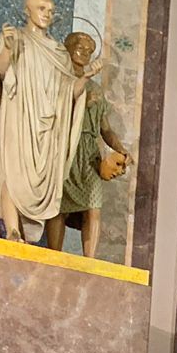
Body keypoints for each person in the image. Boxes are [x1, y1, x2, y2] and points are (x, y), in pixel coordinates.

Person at [0, 0, 93, 241]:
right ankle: (13, 229)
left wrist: (87, 76)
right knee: (11, 170)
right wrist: (6, 49)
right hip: (18, 116)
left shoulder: (59, 52)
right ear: (27, 11)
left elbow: (69, 93)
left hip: (47, 126)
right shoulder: (15, 38)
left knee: (38, 178)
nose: (47, 13)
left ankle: (26, 231)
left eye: (50, 9)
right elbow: (0, 74)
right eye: (41, 8)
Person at [46, 31, 131, 259]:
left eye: (89, 51)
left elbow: (105, 128)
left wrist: (120, 148)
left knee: (93, 205)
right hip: (65, 148)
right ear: (69, 49)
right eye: (80, 48)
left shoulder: (95, 89)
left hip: (89, 153)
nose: (84, 54)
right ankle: (54, 255)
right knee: (60, 204)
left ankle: (89, 260)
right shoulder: (59, 80)